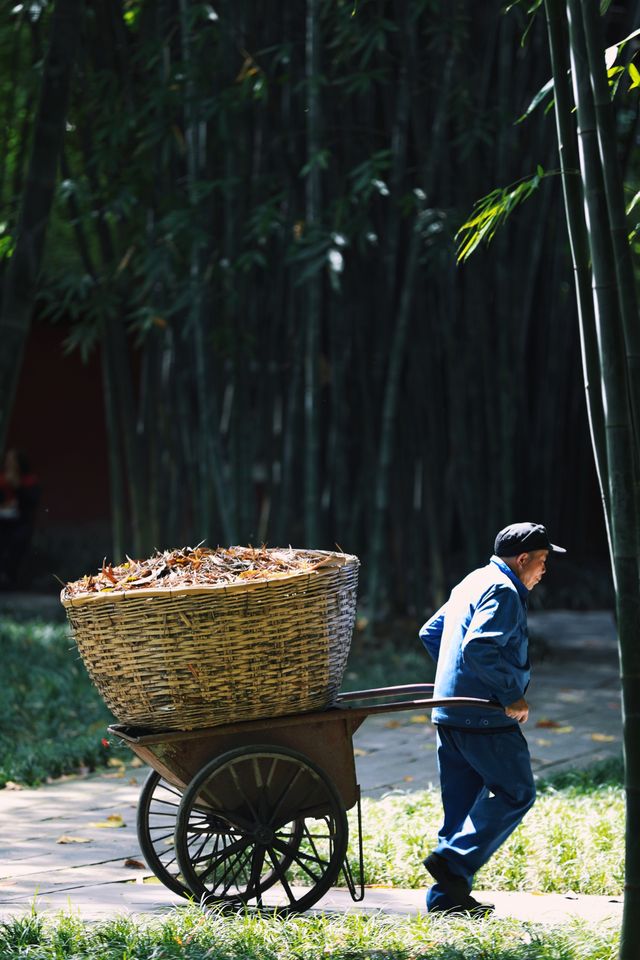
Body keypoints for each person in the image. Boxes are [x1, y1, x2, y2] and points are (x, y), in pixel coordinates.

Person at [419, 521, 566, 916]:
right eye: (542, 561)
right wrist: (509, 695)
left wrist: (459, 682)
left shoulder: (473, 580)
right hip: (483, 717)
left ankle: (446, 900)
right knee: (517, 792)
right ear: (523, 559)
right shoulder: (503, 590)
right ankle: (455, 862)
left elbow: (431, 633)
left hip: (449, 713)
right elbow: (481, 647)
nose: (544, 570)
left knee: (461, 810)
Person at [0, 449, 40, 588]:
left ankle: (11, 578)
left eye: (13, 461)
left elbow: (31, 502)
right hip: (3, 521)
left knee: (18, 541)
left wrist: (18, 486)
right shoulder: (2, 479)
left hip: (20, 523)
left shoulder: (29, 481)